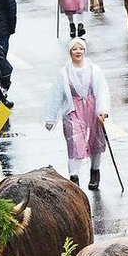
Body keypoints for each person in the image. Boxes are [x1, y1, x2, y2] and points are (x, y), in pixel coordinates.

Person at [44, 38, 111, 190]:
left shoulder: (94, 70)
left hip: (92, 110)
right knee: (75, 143)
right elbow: (56, 96)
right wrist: (51, 118)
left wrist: (102, 110)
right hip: (73, 110)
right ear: (70, 52)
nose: (78, 51)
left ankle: (95, 171)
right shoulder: (63, 73)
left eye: (80, 48)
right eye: (74, 49)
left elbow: (102, 90)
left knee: (96, 141)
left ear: (85, 51)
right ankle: (74, 178)